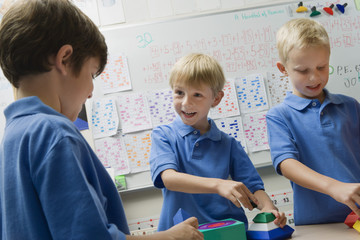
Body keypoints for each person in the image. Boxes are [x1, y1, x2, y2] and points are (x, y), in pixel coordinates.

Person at [0, 1, 203, 239]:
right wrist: (167, 237)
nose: (90, 91)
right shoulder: (53, 132)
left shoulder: (13, 135)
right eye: (91, 74)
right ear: (64, 59)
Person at [149, 53, 287, 231]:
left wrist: (269, 208)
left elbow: (253, 188)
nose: (185, 103)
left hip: (228, 232)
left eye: (197, 95)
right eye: (179, 92)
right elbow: (169, 178)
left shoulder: (228, 144)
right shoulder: (163, 135)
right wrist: (218, 185)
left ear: (216, 98)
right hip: (181, 234)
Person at [266, 18, 360, 225]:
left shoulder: (350, 106)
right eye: (303, 70)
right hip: (316, 223)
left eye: (321, 67)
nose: (314, 78)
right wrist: (334, 187)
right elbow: (287, 164)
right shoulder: (279, 116)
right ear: (283, 69)